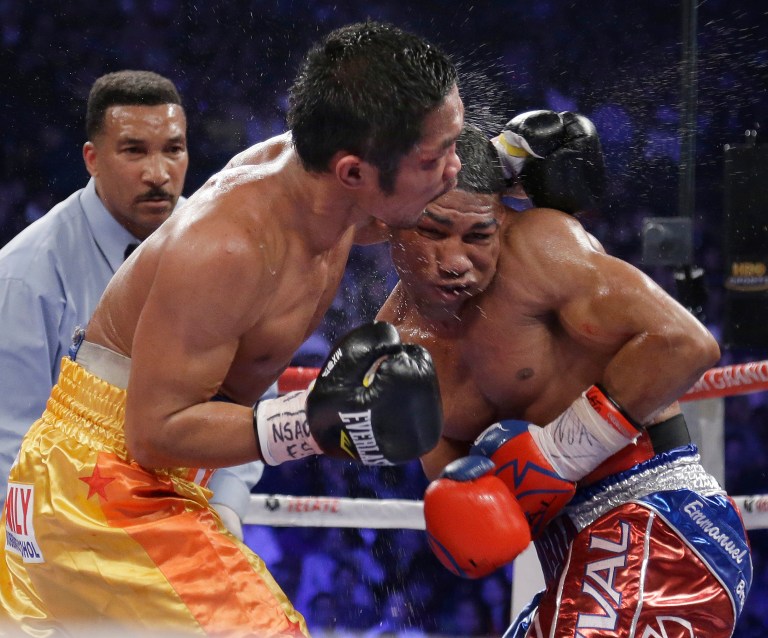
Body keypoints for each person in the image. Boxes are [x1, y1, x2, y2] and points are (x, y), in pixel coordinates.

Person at [0, 21, 460, 636]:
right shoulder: (230, 248)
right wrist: (315, 422)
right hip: (103, 486)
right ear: (354, 172)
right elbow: (154, 433)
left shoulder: (331, 184)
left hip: (156, 476)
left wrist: (512, 168)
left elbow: (407, 201)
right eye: (438, 157)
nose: (453, 170)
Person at [376, 122, 751, 637]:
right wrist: (477, 505)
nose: (457, 261)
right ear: (390, 224)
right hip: (570, 559)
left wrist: (556, 454)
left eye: (479, 235)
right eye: (433, 231)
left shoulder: (540, 248)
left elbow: (685, 343)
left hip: (658, 520)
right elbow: (476, 506)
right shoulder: (396, 349)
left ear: (502, 219)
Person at [0, 70, 188, 500]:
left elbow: (249, 387)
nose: (158, 173)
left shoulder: (221, 246)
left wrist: (229, 505)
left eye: (173, 149)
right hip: (65, 522)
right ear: (92, 159)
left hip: (189, 511)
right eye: (134, 151)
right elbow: (8, 441)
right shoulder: (25, 276)